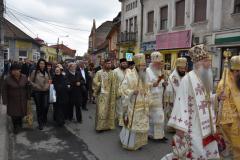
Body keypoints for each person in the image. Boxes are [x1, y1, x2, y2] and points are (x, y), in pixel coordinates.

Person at [162, 45, 220, 159]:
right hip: (192, 124)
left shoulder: (205, 77)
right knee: (196, 152)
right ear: (198, 63)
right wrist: (180, 127)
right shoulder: (187, 80)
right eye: (206, 61)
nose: (209, 64)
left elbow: (205, 99)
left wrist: (216, 97)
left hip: (206, 124)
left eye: (209, 60)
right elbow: (180, 102)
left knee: (209, 150)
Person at [119, 54, 151, 150]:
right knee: (132, 124)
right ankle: (130, 143)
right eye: (142, 66)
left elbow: (147, 88)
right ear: (136, 65)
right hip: (133, 104)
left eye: (144, 65)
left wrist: (147, 93)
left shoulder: (145, 75)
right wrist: (132, 92)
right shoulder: (129, 75)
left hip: (143, 104)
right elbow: (123, 89)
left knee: (142, 124)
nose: (144, 67)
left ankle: (140, 143)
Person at [216, 55, 240, 160]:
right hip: (230, 122)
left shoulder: (238, 81)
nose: (239, 73)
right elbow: (223, 106)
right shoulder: (224, 84)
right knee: (232, 148)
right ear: (232, 71)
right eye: (238, 71)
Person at [146, 51, 168, 141]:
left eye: (161, 63)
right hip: (151, 97)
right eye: (158, 63)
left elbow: (161, 82)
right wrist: (152, 84)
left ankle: (159, 135)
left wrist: (164, 84)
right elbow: (144, 84)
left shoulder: (160, 71)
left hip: (159, 97)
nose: (160, 65)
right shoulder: (147, 71)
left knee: (159, 117)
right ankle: (152, 134)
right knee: (154, 117)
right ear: (153, 63)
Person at [2, 63, 29, 134]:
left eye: (16, 70)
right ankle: (15, 126)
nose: (15, 71)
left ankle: (19, 123)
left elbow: (27, 87)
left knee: (22, 113)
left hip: (22, 99)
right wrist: (5, 100)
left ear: (20, 70)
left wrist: (29, 95)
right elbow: (4, 90)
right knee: (14, 115)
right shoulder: (7, 79)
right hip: (12, 100)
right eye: (13, 70)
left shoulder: (24, 77)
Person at [93, 59, 117, 132]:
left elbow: (116, 84)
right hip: (102, 96)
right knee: (101, 111)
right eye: (107, 63)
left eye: (110, 63)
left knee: (110, 111)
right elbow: (95, 82)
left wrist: (116, 93)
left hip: (111, 96)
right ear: (104, 64)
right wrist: (100, 84)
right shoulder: (99, 73)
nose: (109, 65)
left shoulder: (113, 73)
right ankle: (100, 127)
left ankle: (108, 126)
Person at [164, 57, 187, 132]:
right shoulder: (172, 77)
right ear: (177, 68)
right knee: (173, 113)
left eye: (184, 68)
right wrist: (169, 100)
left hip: (184, 99)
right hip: (174, 98)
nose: (183, 70)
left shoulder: (186, 75)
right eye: (181, 68)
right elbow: (169, 89)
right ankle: (173, 127)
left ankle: (181, 127)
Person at [30, 59, 50, 130]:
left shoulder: (47, 72)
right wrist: (36, 86)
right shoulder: (34, 72)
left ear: (45, 65)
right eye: (41, 63)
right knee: (39, 107)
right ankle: (40, 123)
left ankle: (44, 117)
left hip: (45, 91)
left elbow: (49, 81)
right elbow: (30, 81)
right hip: (37, 92)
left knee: (45, 106)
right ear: (38, 64)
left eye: (43, 64)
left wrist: (47, 86)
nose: (42, 65)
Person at [113, 58, 130, 126]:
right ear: (120, 64)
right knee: (119, 107)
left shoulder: (129, 71)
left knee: (126, 107)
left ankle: (125, 119)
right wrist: (116, 92)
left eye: (126, 63)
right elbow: (114, 83)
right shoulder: (115, 71)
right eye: (123, 63)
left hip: (127, 92)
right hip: (119, 92)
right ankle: (121, 122)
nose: (125, 64)